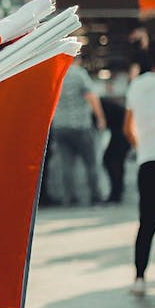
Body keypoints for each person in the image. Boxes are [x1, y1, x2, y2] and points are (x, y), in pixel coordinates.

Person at [124, 44, 155, 295]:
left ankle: (139, 278)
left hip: (149, 162)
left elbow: (128, 129)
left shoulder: (137, 86)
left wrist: (143, 150)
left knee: (147, 224)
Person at [51, 55, 106, 206]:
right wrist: (100, 118)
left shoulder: (57, 73)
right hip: (80, 125)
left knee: (67, 164)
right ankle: (95, 197)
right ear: (77, 60)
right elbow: (91, 97)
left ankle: (70, 198)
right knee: (90, 162)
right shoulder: (79, 73)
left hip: (60, 126)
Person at [100, 92, 131, 204]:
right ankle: (117, 192)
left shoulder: (98, 105)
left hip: (124, 132)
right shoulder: (101, 103)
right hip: (122, 131)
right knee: (112, 161)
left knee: (112, 161)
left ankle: (116, 194)